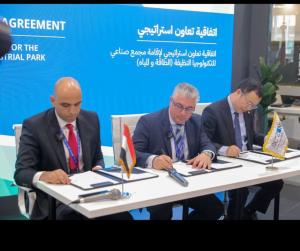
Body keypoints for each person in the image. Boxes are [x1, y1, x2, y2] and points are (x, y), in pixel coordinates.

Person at [14, 77, 133, 220]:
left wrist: (98, 168)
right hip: (56, 202)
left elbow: (98, 157)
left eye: (77, 104)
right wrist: (45, 175)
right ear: (53, 101)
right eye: (65, 105)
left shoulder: (91, 119)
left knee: (123, 217)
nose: (72, 111)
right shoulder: (35, 126)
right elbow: (21, 173)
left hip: (91, 195)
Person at [133, 82, 224, 220]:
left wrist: (207, 154)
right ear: (171, 101)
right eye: (179, 106)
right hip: (159, 185)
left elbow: (208, 144)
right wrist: (153, 160)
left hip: (188, 182)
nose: (183, 113)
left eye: (189, 109)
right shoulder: (149, 122)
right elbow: (132, 153)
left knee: (215, 208)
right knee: (161, 213)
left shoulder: (197, 121)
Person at [201, 78, 284, 220]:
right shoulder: (213, 111)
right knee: (241, 191)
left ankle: (248, 211)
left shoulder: (247, 111)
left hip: (249, 159)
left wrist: (266, 139)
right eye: (249, 103)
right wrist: (225, 149)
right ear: (239, 92)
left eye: (253, 106)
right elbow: (203, 141)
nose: (249, 108)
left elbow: (251, 135)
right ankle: (235, 217)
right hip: (227, 163)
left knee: (276, 183)